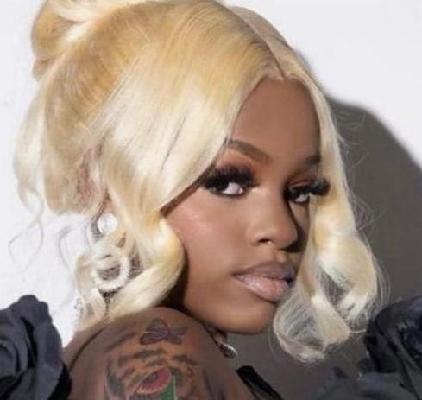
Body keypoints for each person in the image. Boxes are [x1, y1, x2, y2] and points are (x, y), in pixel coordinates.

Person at [9, 0, 419, 399]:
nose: (283, 229)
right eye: (228, 183)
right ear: (109, 184)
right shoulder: (162, 358)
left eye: (300, 191)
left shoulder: (112, 351)